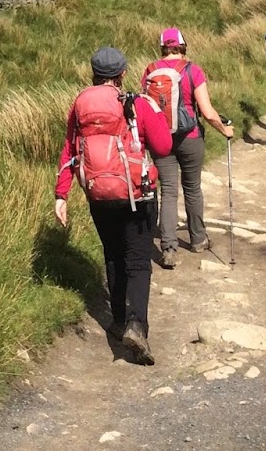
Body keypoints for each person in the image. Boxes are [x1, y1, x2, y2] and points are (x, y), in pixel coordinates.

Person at [54, 45, 173, 366]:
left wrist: (60, 195)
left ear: (93, 74)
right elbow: (162, 146)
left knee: (113, 253)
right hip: (137, 193)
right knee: (137, 260)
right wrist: (157, 114)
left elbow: (70, 149)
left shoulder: (80, 105)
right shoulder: (135, 103)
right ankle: (138, 326)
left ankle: (118, 318)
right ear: (122, 74)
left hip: (98, 194)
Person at [140, 27, 235, 268]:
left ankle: (169, 248)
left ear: (163, 46)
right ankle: (198, 239)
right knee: (192, 187)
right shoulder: (193, 71)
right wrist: (225, 130)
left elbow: (145, 107)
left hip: (161, 138)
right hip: (190, 136)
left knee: (168, 191)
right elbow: (206, 110)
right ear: (182, 45)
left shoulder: (150, 71)